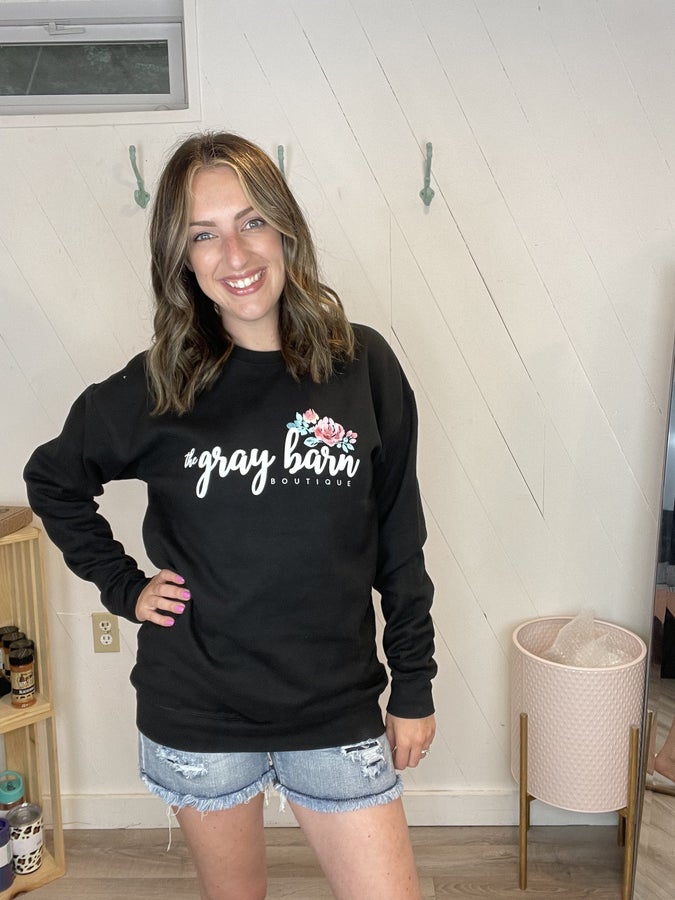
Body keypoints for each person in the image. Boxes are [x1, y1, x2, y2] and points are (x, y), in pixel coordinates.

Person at [23, 132, 437, 900]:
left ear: (285, 229)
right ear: (180, 258)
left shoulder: (362, 365)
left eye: (251, 222)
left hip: (335, 702)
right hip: (199, 710)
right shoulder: (159, 386)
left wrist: (413, 685)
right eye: (203, 235)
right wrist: (125, 587)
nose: (234, 254)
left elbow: (398, 537)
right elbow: (52, 479)